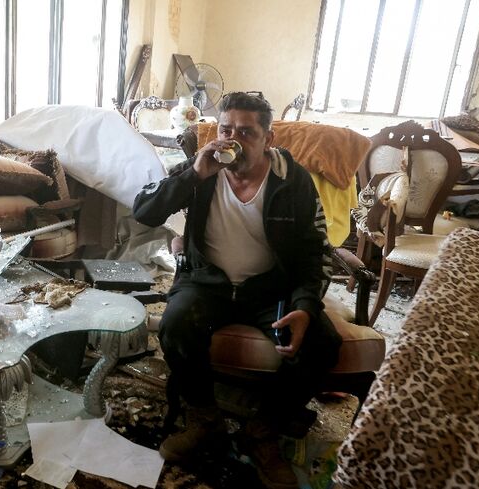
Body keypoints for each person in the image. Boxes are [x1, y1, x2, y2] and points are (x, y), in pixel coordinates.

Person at [133, 92, 342, 489]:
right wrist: (194, 175)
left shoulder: (293, 180)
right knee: (175, 324)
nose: (233, 140)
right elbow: (144, 210)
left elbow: (314, 253)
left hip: (268, 289)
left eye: (246, 132)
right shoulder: (202, 168)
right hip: (206, 283)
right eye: (226, 130)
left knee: (322, 343)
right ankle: (204, 421)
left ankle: (262, 432)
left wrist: (304, 306)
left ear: (269, 139)